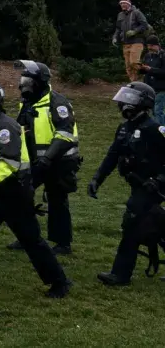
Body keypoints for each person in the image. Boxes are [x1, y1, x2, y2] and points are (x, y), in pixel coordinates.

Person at [0, 81, 70, 297]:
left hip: (11, 192)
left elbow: (9, 161)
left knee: (30, 238)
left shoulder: (4, 126)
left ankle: (59, 282)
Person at [89, 80, 165, 286]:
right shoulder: (124, 128)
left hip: (153, 185)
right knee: (154, 222)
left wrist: (158, 180)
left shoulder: (155, 129)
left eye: (129, 99)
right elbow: (112, 156)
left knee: (132, 222)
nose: (123, 103)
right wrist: (98, 179)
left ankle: (121, 274)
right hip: (138, 184)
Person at [15, 59, 80, 255]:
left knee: (57, 200)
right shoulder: (27, 102)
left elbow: (65, 134)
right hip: (34, 161)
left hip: (58, 161)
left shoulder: (57, 103)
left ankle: (63, 243)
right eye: (23, 78)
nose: (23, 83)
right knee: (22, 197)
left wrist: (48, 158)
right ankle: (28, 236)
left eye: (28, 79)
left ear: (40, 82)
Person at [115, 0, 150, 81]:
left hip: (137, 41)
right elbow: (118, 29)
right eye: (121, 3)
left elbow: (145, 25)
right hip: (126, 44)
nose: (122, 5)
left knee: (134, 62)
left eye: (124, 3)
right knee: (128, 66)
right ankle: (134, 83)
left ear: (129, 3)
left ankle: (150, 72)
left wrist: (135, 31)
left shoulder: (136, 12)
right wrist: (115, 38)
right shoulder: (120, 15)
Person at [142, 35, 165, 121]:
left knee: (158, 111)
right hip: (149, 88)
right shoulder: (147, 56)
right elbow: (145, 71)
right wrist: (141, 69)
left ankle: (161, 133)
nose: (149, 48)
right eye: (148, 46)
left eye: (151, 46)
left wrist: (151, 69)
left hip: (161, 88)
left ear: (157, 45)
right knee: (153, 111)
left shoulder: (163, 56)